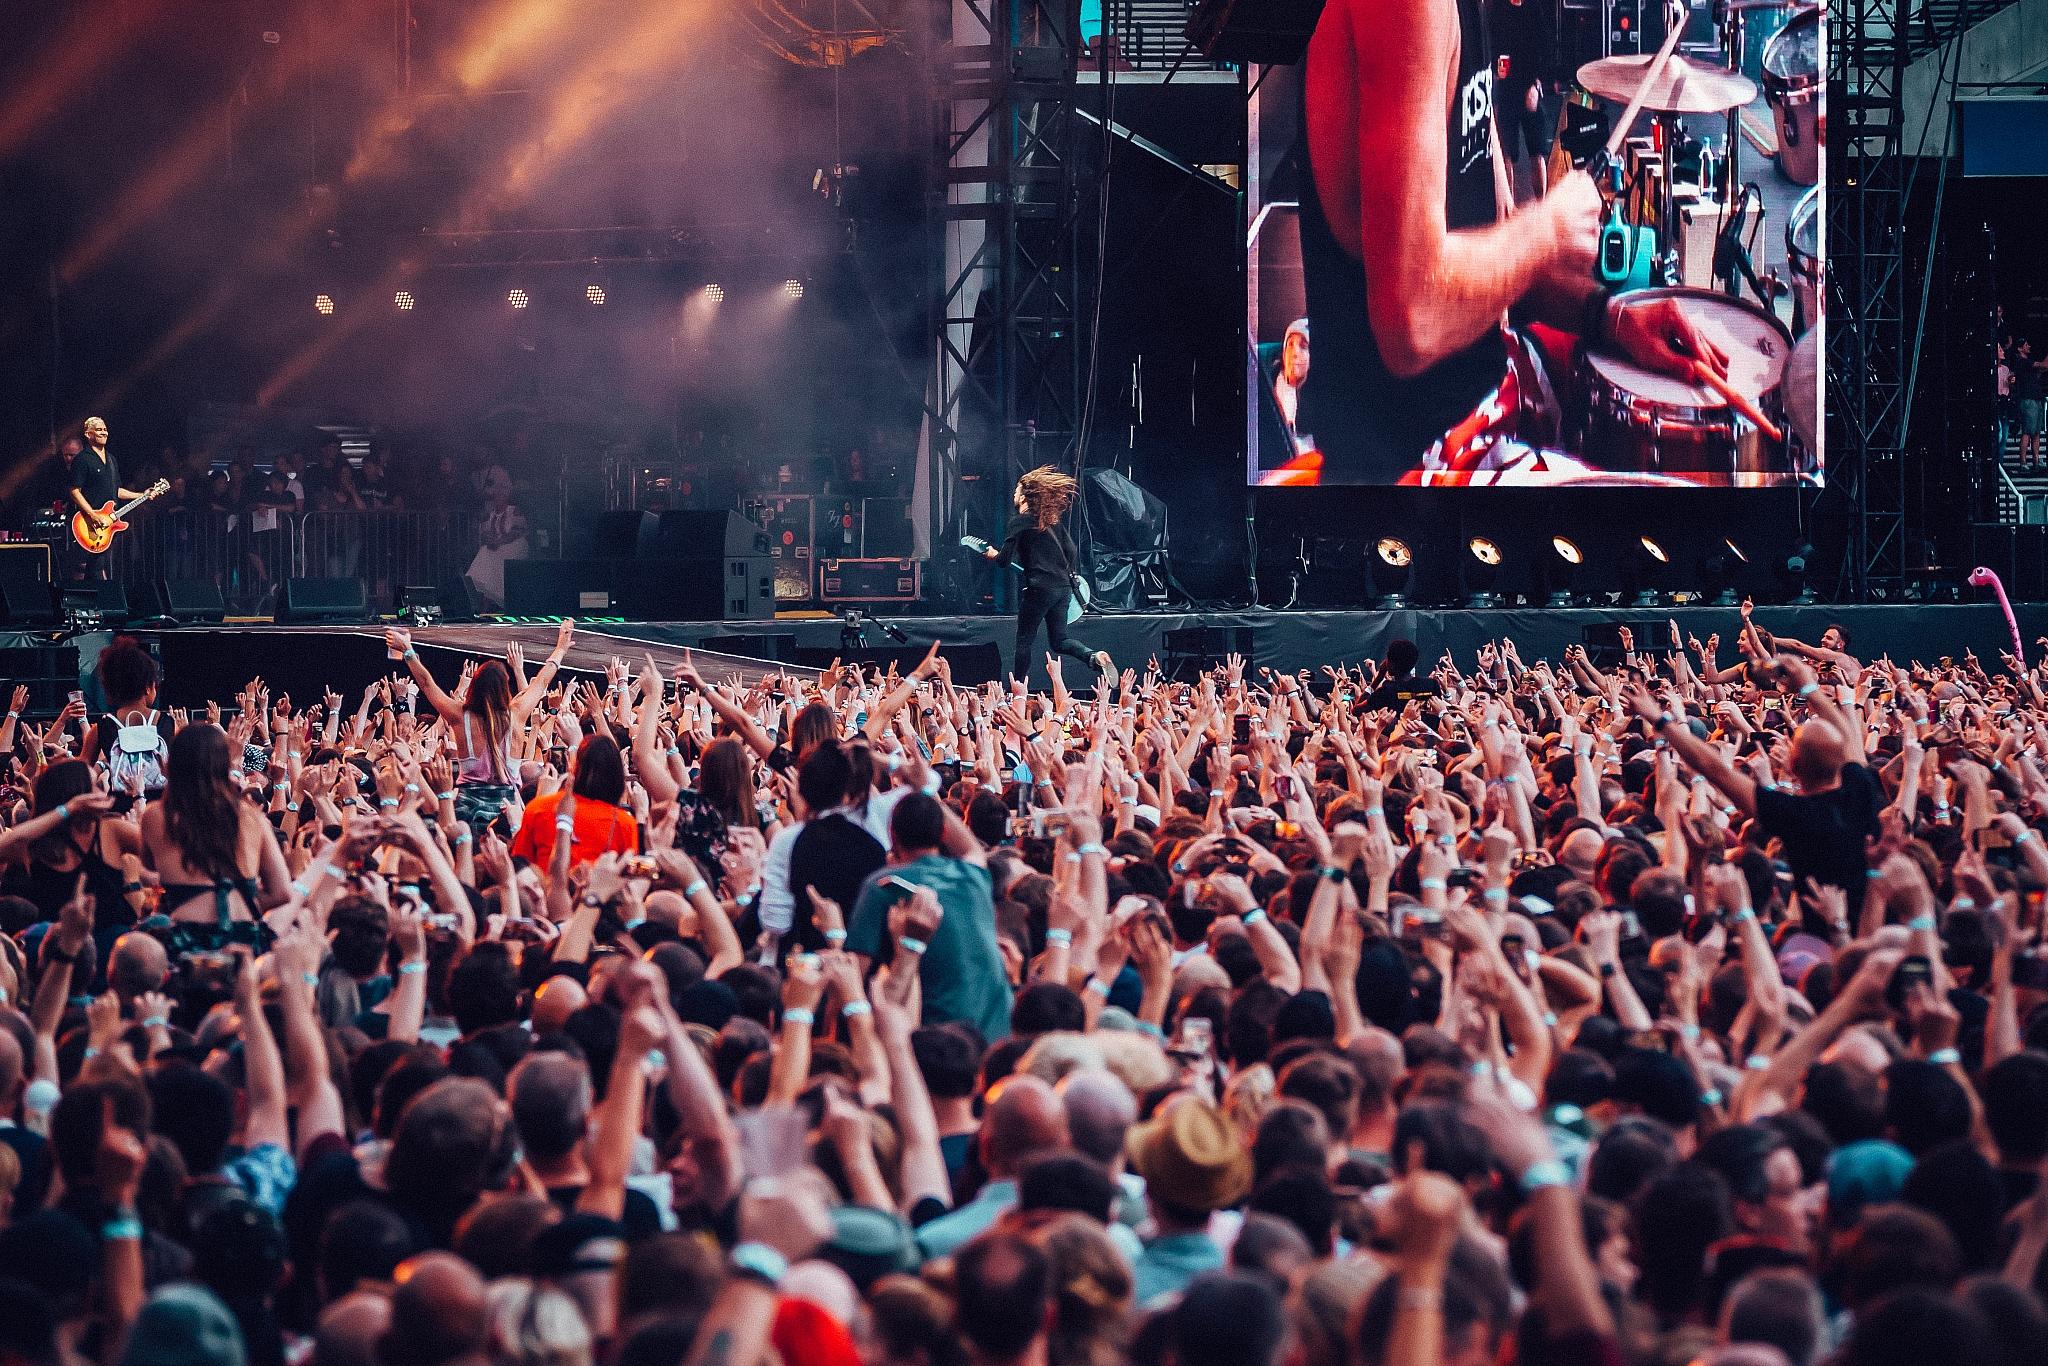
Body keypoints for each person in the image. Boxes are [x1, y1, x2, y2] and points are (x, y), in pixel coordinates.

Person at [1295, 0, 1724, 483]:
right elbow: (1413, 321)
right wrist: (1551, 229)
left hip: (1485, 393)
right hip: (1414, 462)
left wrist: (1608, 317)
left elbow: (1487, 267)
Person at [388, 620, 572, 831]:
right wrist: (560, 648)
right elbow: (541, 681)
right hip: (508, 812)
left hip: (467, 812)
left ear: (473, 687)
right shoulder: (518, 713)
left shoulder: (460, 715)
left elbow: (427, 684)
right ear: (505, 689)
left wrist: (408, 651)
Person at [139, 724, 291, 928]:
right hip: (241, 939)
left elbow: (149, 865)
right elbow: (281, 893)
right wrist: (241, 902)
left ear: (173, 763)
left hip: (184, 939)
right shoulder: (253, 817)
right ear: (224, 764)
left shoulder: (156, 815)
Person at [977, 466, 1112, 685]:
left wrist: (992, 554)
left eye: (1017, 490)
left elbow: (1003, 561)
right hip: (1063, 589)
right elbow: (1072, 551)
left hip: (1040, 589)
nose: (1014, 494)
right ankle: (1092, 656)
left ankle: (1018, 691)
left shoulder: (1019, 521)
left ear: (1025, 496)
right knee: (1059, 640)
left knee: (1024, 641)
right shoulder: (1052, 522)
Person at [69, 417, 150, 580]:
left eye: (105, 429)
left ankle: (98, 600)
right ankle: (81, 601)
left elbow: (116, 490)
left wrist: (143, 495)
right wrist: (92, 514)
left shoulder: (112, 460)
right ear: (88, 434)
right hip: (88, 523)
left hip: (107, 523)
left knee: (99, 564)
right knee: (83, 565)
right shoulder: (83, 459)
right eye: (99, 430)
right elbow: (74, 491)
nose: (103, 432)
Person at [465, 465, 529, 609]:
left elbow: (517, 531)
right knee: (485, 552)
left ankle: (493, 600)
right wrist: (491, 541)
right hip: (497, 546)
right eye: (496, 494)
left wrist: (499, 541)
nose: (499, 497)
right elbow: (485, 533)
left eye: (502, 494)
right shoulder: (490, 514)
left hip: (514, 545)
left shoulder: (514, 511)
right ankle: (482, 594)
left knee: (496, 559)